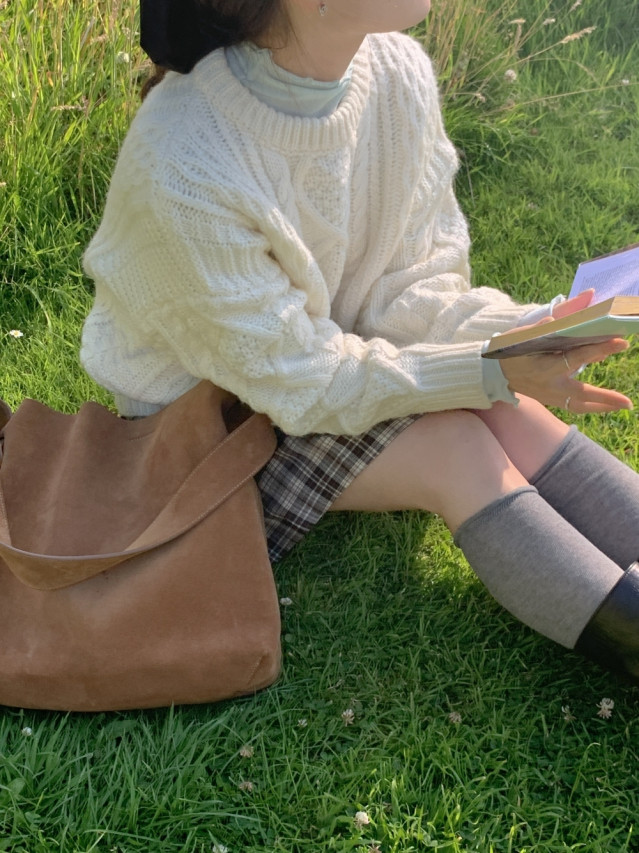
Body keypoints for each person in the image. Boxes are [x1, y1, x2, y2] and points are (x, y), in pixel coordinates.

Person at [80, 0, 639, 680]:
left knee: (510, 412)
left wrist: (527, 334)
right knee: (456, 447)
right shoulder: (185, 160)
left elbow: (408, 287)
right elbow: (302, 383)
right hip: (208, 422)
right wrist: (484, 369)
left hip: (322, 355)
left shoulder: (396, 72)